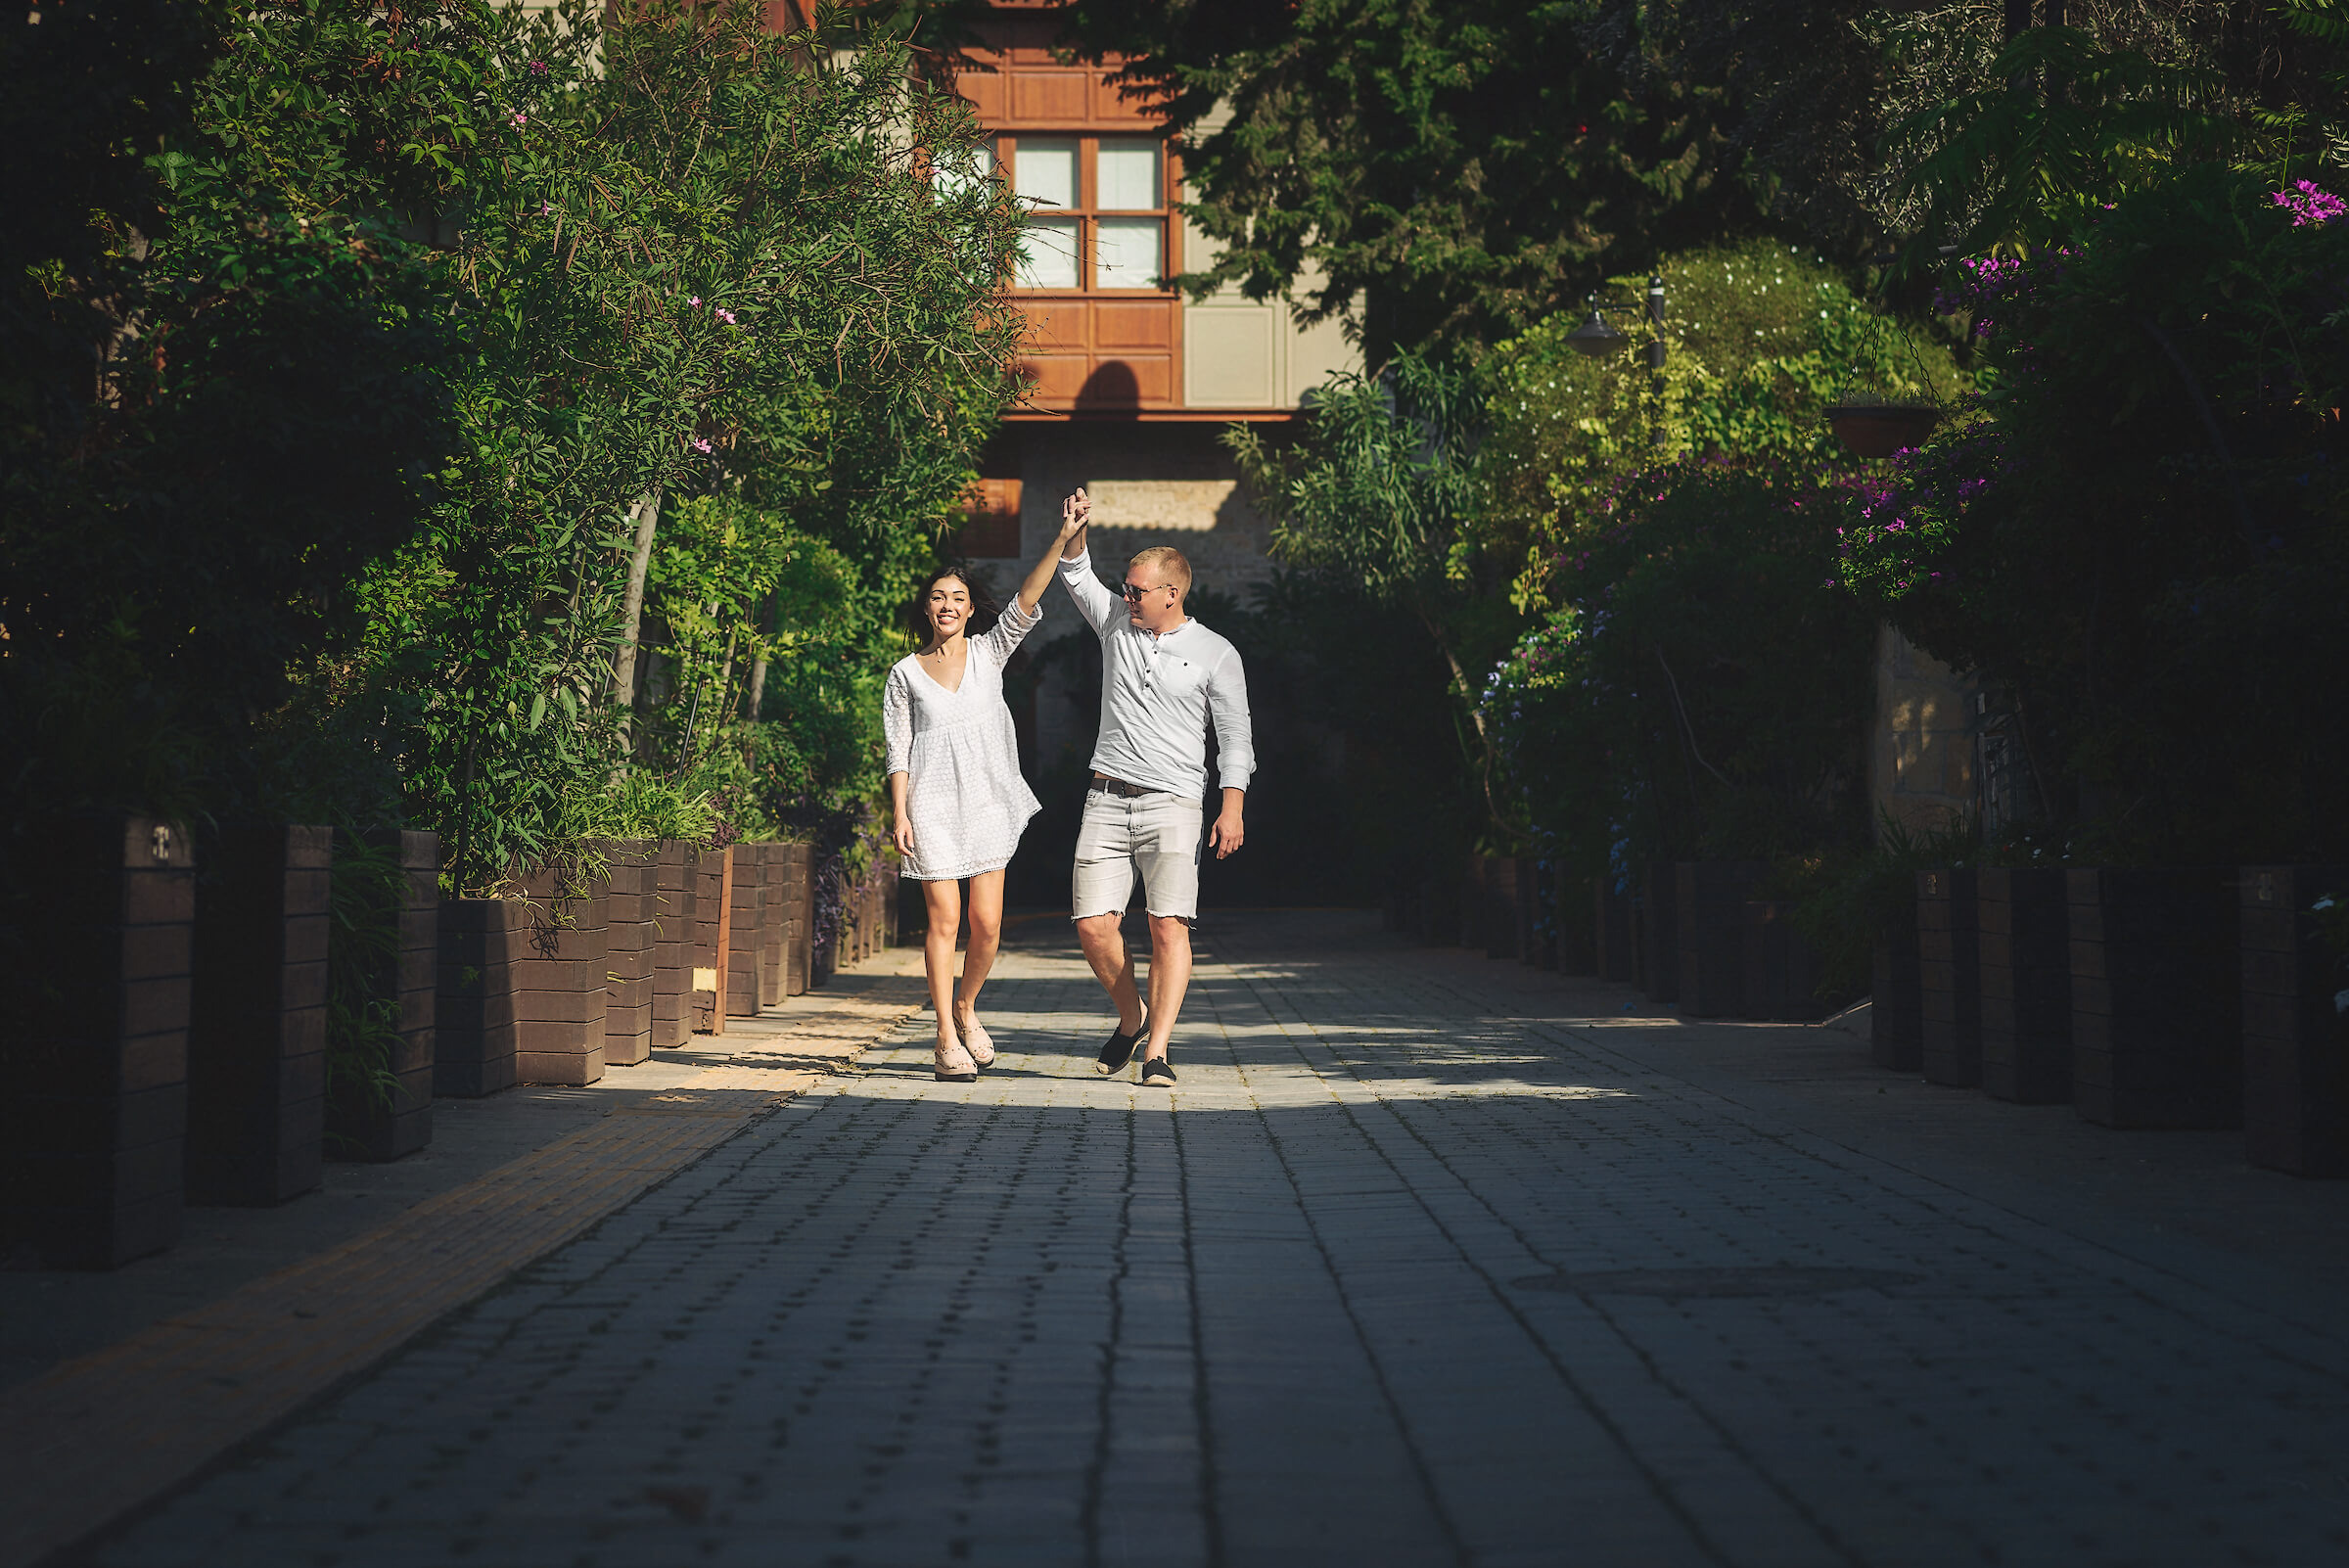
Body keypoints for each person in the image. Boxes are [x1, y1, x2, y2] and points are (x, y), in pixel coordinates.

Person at [884, 496, 1088, 1082]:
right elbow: (898, 751)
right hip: (932, 807)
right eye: (938, 597)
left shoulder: (990, 653)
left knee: (989, 924)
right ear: (927, 608)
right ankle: (944, 1034)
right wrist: (900, 813)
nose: (947, 605)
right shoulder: (904, 674)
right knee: (944, 919)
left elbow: (1028, 599)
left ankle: (966, 1004)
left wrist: (1061, 538)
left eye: (958, 598)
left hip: (988, 801)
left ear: (972, 610)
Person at [1055, 485, 1254, 1086]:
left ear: (1173, 593)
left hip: (1175, 803)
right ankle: (1131, 1015)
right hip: (1106, 796)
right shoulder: (1116, 624)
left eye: (1139, 590)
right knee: (1093, 924)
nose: (1128, 596)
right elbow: (1075, 570)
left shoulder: (1216, 653)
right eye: (1127, 588)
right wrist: (1078, 526)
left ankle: (1157, 1051)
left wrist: (1232, 809)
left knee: (1168, 924)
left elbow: (1235, 738)